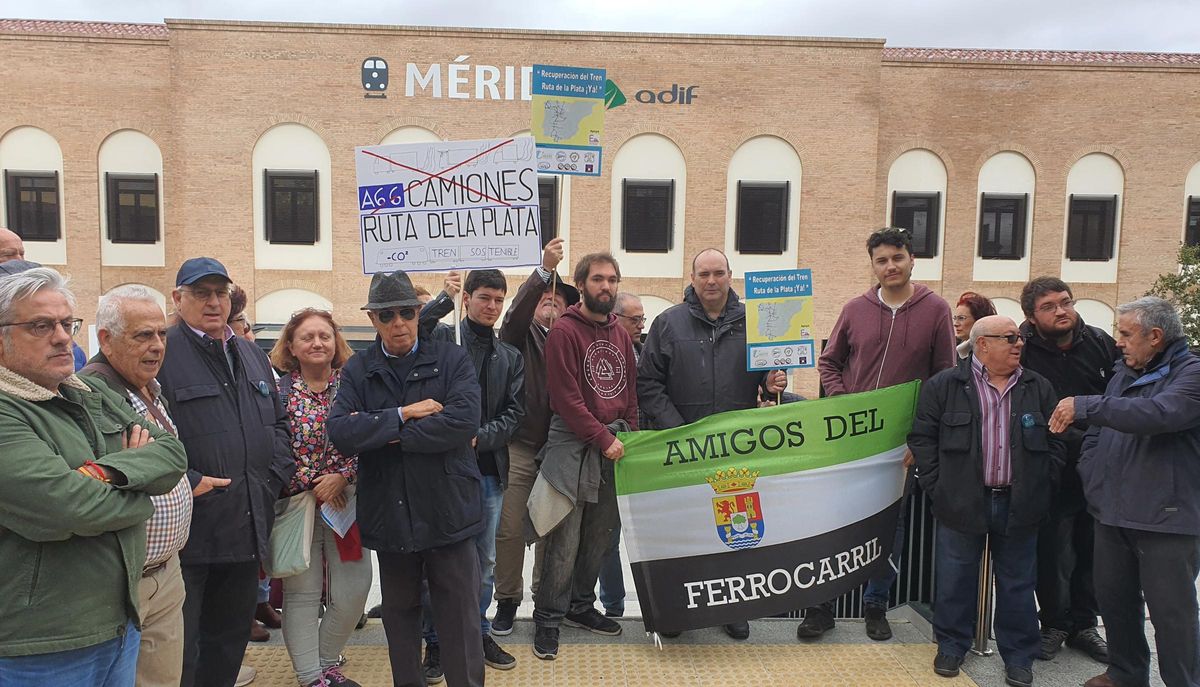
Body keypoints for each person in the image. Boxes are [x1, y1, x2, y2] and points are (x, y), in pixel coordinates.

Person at [0, 267, 187, 685]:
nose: (64, 337)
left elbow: (173, 454)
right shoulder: (8, 409)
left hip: (118, 624)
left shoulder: (84, 392)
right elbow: (70, 507)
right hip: (43, 645)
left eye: (67, 323)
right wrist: (139, 492)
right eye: (40, 326)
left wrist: (99, 473)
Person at [328, 269, 486, 687]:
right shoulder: (359, 369)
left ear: (419, 313)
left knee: (460, 620)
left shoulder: (452, 358)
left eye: (406, 312)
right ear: (373, 319)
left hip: (448, 511)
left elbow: (462, 422)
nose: (397, 322)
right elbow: (341, 432)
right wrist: (403, 414)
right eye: (386, 315)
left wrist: (384, 433)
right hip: (390, 514)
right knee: (399, 619)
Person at [807, 227, 956, 642]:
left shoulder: (936, 309)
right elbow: (829, 364)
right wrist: (846, 404)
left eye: (897, 257)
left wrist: (919, 437)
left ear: (912, 260)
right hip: (851, 440)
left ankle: (876, 604)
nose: (890, 266)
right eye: (881, 260)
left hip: (900, 444)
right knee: (833, 520)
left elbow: (944, 377)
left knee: (890, 526)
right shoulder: (855, 308)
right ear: (872, 265)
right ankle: (822, 606)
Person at [157, 257, 296, 687]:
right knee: (181, 653)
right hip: (191, 537)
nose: (214, 302)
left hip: (246, 526)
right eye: (202, 293)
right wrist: (186, 481)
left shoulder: (250, 353)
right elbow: (143, 430)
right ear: (178, 299)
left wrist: (273, 474)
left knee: (228, 645)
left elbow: (279, 423)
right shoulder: (161, 351)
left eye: (221, 293)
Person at [1049, 297, 1200, 687]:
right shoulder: (1124, 372)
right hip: (1111, 511)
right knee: (1115, 604)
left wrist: (1086, 405)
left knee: (1172, 615)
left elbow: (1161, 414)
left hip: (1166, 518)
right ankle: (1125, 674)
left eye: (1126, 334)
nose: (1118, 342)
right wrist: (1093, 475)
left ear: (1155, 336)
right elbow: (1099, 433)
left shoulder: (1192, 374)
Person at [636, 248, 786, 640]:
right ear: (692, 277)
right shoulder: (668, 323)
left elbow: (766, 381)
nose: (711, 281)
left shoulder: (755, 324)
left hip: (735, 454)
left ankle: (732, 608)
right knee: (681, 533)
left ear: (730, 275)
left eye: (718, 273)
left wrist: (771, 384)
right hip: (683, 449)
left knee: (735, 532)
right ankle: (676, 611)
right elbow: (648, 385)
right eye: (704, 274)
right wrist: (679, 431)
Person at [910, 315, 1064, 687]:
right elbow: (923, 439)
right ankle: (951, 645)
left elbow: (1058, 441)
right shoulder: (946, 386)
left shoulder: (1037, 387)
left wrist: (1043, 485)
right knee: (955, 579)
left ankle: (1019, 656)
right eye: (1010, 338)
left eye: (1020, 338)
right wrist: (939, 487)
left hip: (1020, 502)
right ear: (982, 345)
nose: (1019, 344)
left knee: (1017, 583)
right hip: (961, 501)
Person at [79, 285, 195, 687]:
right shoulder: (88, 395)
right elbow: (89, 486)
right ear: (105, 339)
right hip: (120, 580)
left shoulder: (150, 389)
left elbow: (167, 462)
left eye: (161, 334)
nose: (157, 345)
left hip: (166, 574)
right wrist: (137, 467)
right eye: (142, 335)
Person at [531, 252, 639, 661]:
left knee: (599, 537)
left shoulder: (622, 335)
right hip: (573, 445)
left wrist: (630, 433)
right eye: (597, 279)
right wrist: (601, 437)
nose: (606, 286)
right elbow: (565, 398)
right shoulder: (564, 332)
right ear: (581, 284)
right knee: (565, 536)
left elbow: (630, 395)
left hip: (613, 447)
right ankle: (548, 616)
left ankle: (580, 606)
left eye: (612, 279)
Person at [420, 269, 525, 677]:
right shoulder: (445, 340)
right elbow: (415, 330)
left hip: (486, 474)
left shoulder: (510, 356)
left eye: (499, 300)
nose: (492, 307)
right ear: (468, 299)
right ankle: (435, 642)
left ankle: (477, 631)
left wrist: (479, 437)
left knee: (483, 564)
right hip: (442, 472)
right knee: (438, 561)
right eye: (484, 298)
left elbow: (515, 413)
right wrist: (443, 299)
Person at [265, 309, 370, 687]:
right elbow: (273, 450)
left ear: (335, 341)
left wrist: (343, 477)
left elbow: (368, 436)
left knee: (354, 590)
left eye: (324, 336)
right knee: (302, 594)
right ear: (291, 345)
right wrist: (314, 482)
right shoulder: (277, 392)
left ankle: (327, 661)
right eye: (307, 337)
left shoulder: (354, 386)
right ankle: (312, 676)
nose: (317, 343)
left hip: (347, 504)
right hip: (298, 505)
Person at [1017, 277, 1117, 664]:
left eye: (1065, 302)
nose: (1061, 311)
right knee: (1053, 550)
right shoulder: (1021, 349)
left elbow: (1118, 397)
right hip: (1050, 466)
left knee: (1091, 548)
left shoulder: (1100, 343)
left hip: (1098, 467)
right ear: (1031, 315)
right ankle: (1054, 623)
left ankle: (1084, 624)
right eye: (1049, 306)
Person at [492, 237, 580, 634]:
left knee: (553, 528)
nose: (550, 302)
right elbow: (512, 318)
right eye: (545, 297)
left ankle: (546, 601)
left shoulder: (577, 342)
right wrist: (544, 270)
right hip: (521, 448)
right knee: (509, 528)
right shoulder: (519, 335)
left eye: (558, 299)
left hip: (561, 449)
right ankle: (507, 599)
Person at [595, 291, 645, 620]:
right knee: (607, 535)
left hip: (646, 452)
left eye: (643, 319)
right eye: (635, 320)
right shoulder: (601, 357)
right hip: (610, 450)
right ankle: (613, 605)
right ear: (616, 318)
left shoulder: (647, 352)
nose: (642, 325)